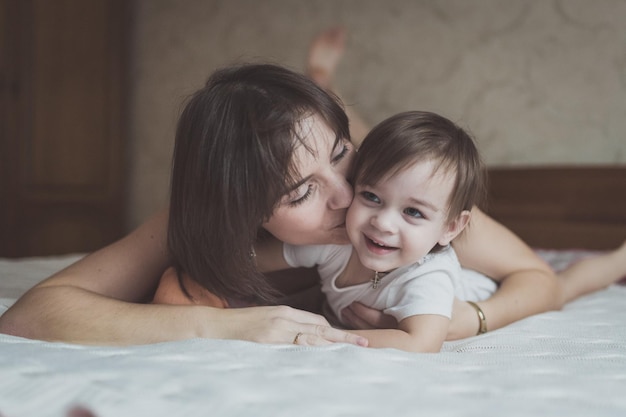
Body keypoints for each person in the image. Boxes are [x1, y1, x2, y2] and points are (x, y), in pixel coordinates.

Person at [0, 29, 610, 346]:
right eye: (300, 194)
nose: (349, 200)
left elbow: (538, 279)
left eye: (339, 158)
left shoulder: (401, 208)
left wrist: (462, 321)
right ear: (241, 208)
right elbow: (31, 314)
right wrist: (217, 327)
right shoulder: (195, 220)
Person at [153, 110, 626, 352]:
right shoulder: (338, 244)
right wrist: (204, 274)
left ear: (451, 227)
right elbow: (260, 258)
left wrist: (325, 339)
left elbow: (420, 343)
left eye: (414, 214)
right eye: (372, 198)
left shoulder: (428, 278)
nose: (383, 222)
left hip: (480, 291)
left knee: (562, 286)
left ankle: (615, 260)